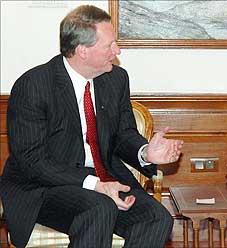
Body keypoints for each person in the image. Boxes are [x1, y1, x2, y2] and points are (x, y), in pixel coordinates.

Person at [0, 5, 183, 248]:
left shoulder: (115, 79)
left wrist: (145, 152)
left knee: (157, 218)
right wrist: (94, 185)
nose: (117, 51)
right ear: (82, 51)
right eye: (109, 45)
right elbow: (33, 161)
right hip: (43, 187)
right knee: (99, 207)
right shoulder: (33, 86)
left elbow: (123, 133)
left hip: (104, 177)